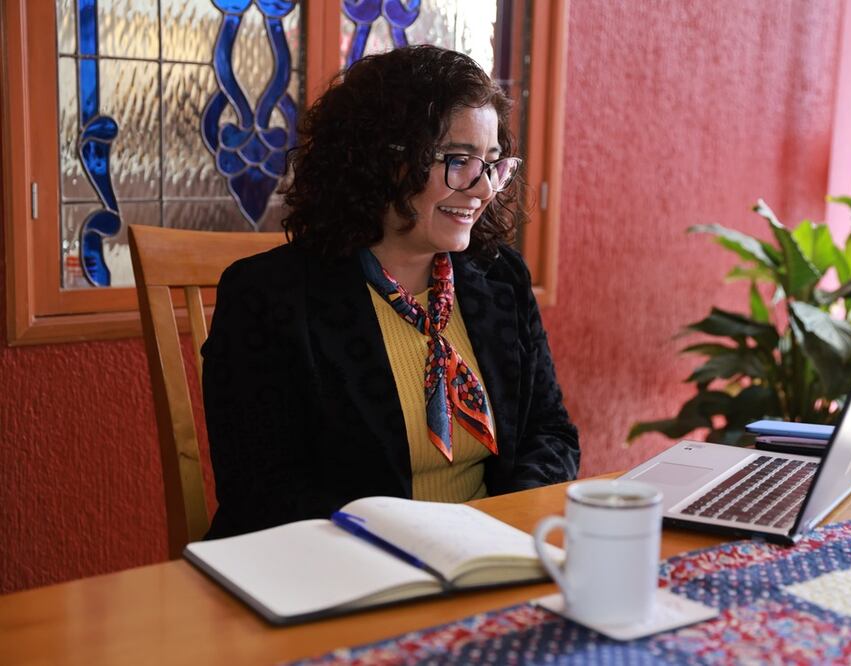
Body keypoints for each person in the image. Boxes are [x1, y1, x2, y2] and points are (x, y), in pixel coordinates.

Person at [201, 45, 580, 539]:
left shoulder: (500, 277)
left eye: (493, 164)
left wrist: (504, 526)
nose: (484, 189)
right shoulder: (270, 297)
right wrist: (417, 542)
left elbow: (550, 433)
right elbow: (264, 491)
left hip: (490, 555)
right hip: (343, 570)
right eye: (459, 160)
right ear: (382, 159)